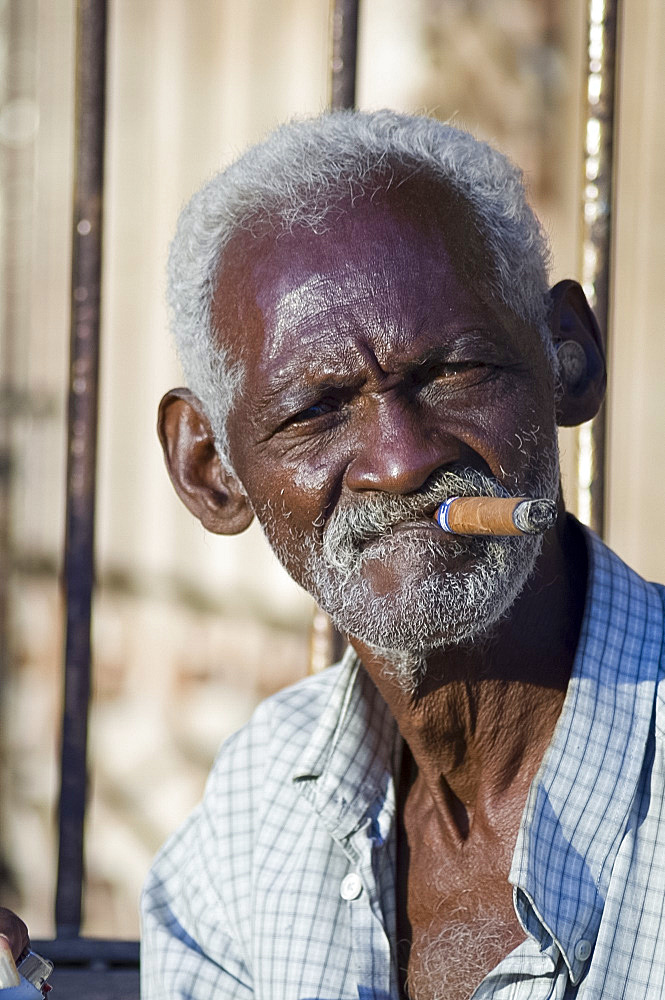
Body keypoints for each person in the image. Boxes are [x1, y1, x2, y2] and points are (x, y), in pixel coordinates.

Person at [141, 111, 665, 999]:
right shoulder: (258, 805)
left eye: (456, 371)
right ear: (211, 472)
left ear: (567, 358)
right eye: (315, 412)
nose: (402, 459)